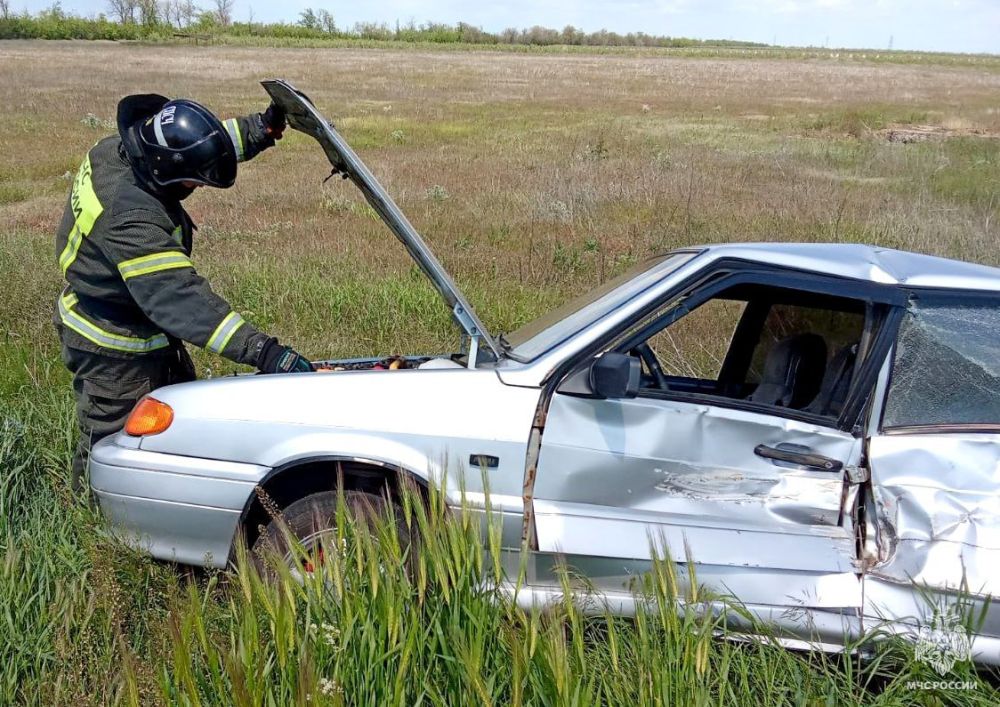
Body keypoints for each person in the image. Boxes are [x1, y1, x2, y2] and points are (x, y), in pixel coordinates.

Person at [54, 93, 313, 490]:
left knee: (170, 424)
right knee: (112, 441)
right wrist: (267, 353)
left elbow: (191, 144)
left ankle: (159, 498)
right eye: (192, 180)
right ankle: (92, 517)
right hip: (112, 344)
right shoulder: (132, 219)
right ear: (164, 171)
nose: (195, 185)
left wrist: (260, 129)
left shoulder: (119, 148)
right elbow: (181, 299)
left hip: (137, 321)